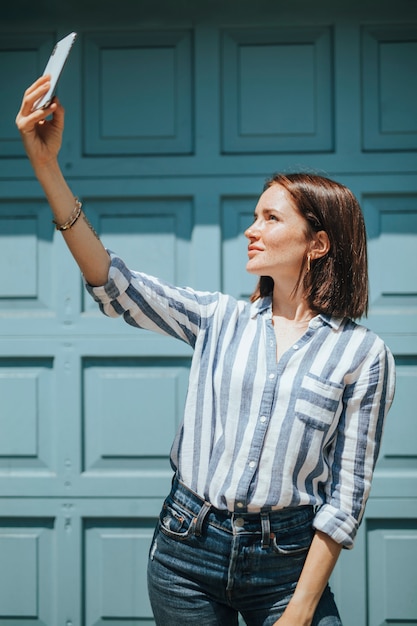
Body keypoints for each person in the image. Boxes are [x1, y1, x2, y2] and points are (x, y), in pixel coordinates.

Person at [16, 75, 395, 626]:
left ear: (318, 242)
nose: (251, 229)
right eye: (255, 214)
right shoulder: (221, 318)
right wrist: (46, 167)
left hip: (285, 569)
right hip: (185, 551)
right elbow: (115, 284)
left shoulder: (363, 356)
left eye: (271, 218)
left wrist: (301, 611)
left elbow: (345, 500)